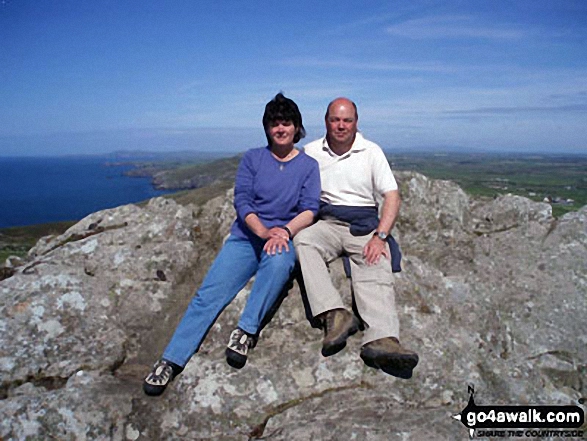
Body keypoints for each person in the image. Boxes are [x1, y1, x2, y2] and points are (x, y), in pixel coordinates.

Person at [143, 93, 320, 396]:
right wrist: (264, 232)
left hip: (283, 237)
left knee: (279, 264)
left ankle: (245, 331)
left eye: (286, 123)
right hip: (246, 237)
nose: (280, 129)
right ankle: (171, 360)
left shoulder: (308, 165)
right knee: (208, 295)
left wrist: (284, 233)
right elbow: (243, 201)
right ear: (266, 127)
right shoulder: (253, 158)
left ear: (297, 127)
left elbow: (310, 208)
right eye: (274, 123)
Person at [293, 97, 419, 379]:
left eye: (346, 120)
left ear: (356, 123)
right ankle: (334, 313)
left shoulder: (371, 151)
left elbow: (392, 196)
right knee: (303, 242)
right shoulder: (311, 151)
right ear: (326, 121)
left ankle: (382, 338)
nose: (340, 125)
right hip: (326, 222)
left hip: (364, 225)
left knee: (375, 261)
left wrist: (381, 236)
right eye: (335, 119)